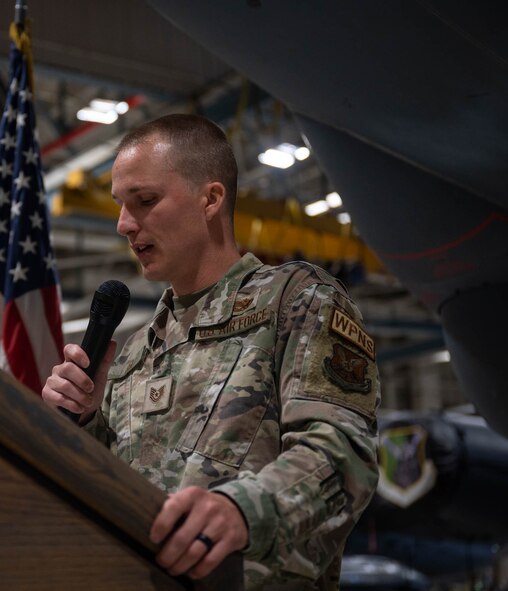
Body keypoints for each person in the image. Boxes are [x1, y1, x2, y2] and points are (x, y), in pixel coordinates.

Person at [42, 114, 379, 590]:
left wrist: (242, 511)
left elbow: (343, 456)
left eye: (145, 200)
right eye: (121, 205)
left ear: (211, 199)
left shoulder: (295, 301)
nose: (123, 224)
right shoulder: (136, 351)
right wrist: (85, 422)